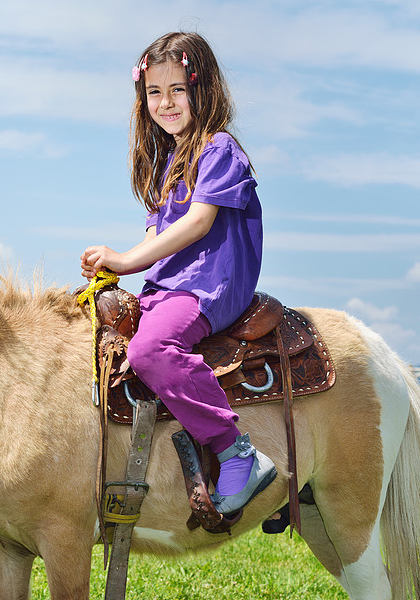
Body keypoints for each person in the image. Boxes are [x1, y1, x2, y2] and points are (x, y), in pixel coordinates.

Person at [80, 31, 276, 515]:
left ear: (201, 88)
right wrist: (116, 259)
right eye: (153, 92)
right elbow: (154, 239)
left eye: (177, 90)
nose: (165, 103)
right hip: (170, 285)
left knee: (150, 349)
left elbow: (198, 222)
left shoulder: (219, 149)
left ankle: (235, 451)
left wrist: (127, 262)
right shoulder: (169, 161)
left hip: (209, 284)